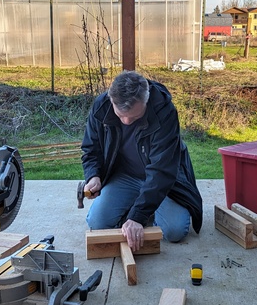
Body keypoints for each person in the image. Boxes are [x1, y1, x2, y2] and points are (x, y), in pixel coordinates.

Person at [81, 70, 202, 252]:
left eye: (134, 116)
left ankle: (141, 208)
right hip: (125, 176)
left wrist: (137, 217)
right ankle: (141, 206)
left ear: (146, 99)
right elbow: (91, 148)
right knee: (97, 223)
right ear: (111, 99)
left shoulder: (165, 111)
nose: (127, 122)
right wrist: (93, 176)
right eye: (121, 116)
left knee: (174, 231)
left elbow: (161, 170)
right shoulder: (101, 106)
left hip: (163, 179)